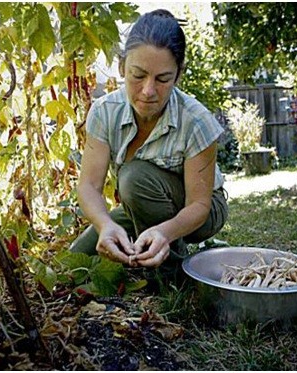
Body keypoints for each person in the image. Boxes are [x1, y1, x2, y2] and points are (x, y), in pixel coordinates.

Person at [70, 9, 228, 273]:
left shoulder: (196, 121)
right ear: (122, 67)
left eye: (163, 79)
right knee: (75, 264)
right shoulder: (104, 111)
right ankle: (151, 250)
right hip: (142, 204)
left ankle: (171, 270)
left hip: (202, 211)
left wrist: (165, 233)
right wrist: (105, 225)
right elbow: (88, 185)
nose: (148, 91)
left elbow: (199, 205)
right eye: (138, 75)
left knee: (133, 177)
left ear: (178, 75)